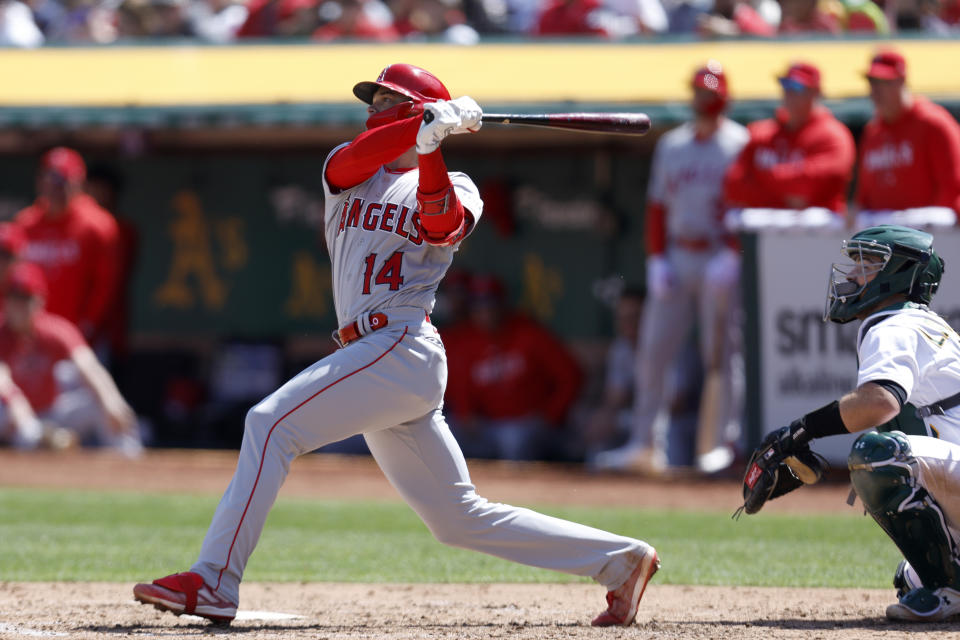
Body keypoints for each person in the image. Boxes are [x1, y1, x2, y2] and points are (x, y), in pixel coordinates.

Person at [133, 63, 659, 628]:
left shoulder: (460, 185)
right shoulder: (348, 170)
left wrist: (431, 145)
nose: (371, 110)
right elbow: (354, 157)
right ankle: (620, 561)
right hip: (374, 354)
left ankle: (214, 577)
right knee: (457, 518)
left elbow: (440, 227)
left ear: (415, 109)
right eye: (374, 100)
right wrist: (420, 128)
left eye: (387, 101)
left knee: (269, 423)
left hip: (402, 343)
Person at [738, 225, 960, 622]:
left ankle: (950, 590)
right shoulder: (924, 323)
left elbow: (878, 403)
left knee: (877, 457)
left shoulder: (893, 324)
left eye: (869, 263)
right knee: (912, 575)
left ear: (900, 273)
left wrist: (799, 432)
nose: (854, 274)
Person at [593, 62, 748, 474]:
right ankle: (645, 444)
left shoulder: (738, 143)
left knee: (723, 353)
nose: (703, 100)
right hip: (678, 255)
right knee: (653, 349)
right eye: (699, 92)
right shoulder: (673, 145)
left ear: (724, 98)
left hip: (718, 255)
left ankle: (722, 444)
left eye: (710, 94)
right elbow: (657, 206)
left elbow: (745, 204)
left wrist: (733, 253)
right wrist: (656, 257)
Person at [0, 262, 140, 454]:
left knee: (99, 405)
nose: (19, 305)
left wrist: (111, 401)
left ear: (40, 301)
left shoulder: (55, 329)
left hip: (53, 412)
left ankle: (131, 462)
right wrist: (21, 413)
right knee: (10, 415)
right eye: (14, 297)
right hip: (14, 417)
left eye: (25, 298)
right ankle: (40, 442)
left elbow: (89, 367)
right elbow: (3, 382)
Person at [443, 274, 582, 461]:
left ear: (502, 305)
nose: (485, 312)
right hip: (488, 427)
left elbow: (570, 376)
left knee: (514, 439)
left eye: (490, 305)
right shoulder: (466, 340)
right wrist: (466, 414)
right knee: (445, 432)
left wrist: (551, 416)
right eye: (478, 307)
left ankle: (519, 489)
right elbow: (459, 386)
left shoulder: (529, 334)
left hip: (528, 424)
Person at [14, 147, 121, 344]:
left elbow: (106, 286)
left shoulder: (98, 225)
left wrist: (88, 326)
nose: (56, 187)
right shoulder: (24, 224)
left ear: (79, 183)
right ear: (40, 181)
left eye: (63, 181)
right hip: (30, 337)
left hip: (81, 336)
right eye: (51, 180)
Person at [724, 61, 856, 216]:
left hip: (819, 235)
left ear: (815, 92)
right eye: (786, 85)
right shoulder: (762, 132)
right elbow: (733, 185)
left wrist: (761, 178)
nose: (789, 93)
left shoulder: (832, 134)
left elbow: (818, 183)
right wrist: (787, 194)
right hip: (765, 233)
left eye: (797, 87)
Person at [854, 50, 960, 218]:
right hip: (882, 233)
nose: (876, 90)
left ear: (902, 81)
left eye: (884, 82)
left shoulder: (933, 122)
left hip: (926, 233)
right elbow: (864, 195)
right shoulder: (873, 131)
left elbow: (953, 186)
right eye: (872, 82)